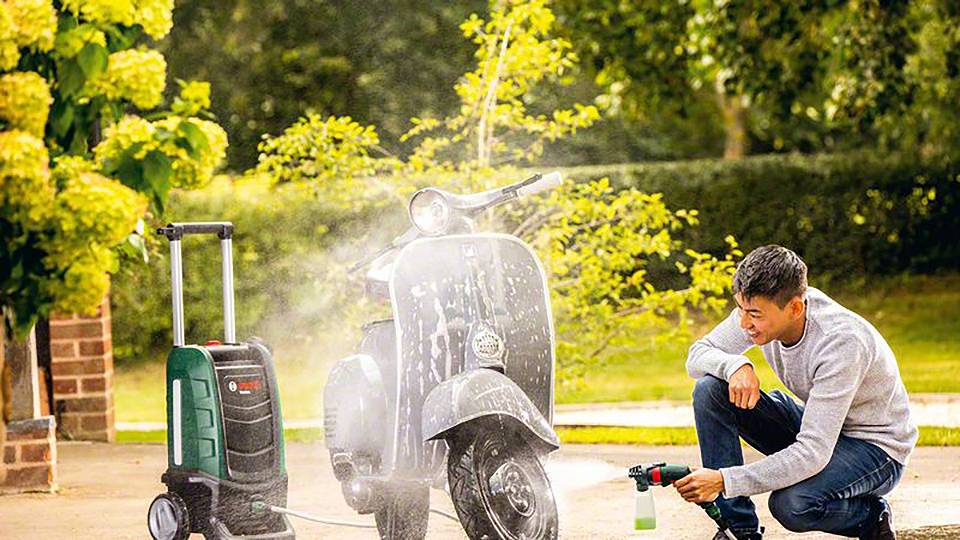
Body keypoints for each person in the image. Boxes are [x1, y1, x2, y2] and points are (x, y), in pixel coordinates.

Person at [674, 245, 917, 540]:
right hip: (826, 429)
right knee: (711, 388)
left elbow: (813, 452)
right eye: (740, 309)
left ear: (795, 308)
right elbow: (698, 354)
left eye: (753, 314)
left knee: (793, 505)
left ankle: (870, 515)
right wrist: (735, 364)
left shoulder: (841, 342)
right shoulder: (759, 310)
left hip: (877, 450)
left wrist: (724, 480)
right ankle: (738, 531)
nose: (743, 323)